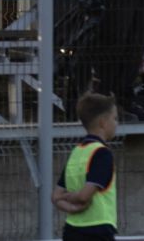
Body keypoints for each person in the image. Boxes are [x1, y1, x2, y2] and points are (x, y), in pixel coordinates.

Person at [52, 90, 119, 240]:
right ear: (103, 122)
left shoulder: (76, 152)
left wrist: (70, 207)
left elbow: (56, 196)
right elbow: (84, 196)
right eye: (114, 118)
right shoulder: (102, 153)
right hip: (97, 230)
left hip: (71, 229)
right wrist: (75, 199)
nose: (116, 123)